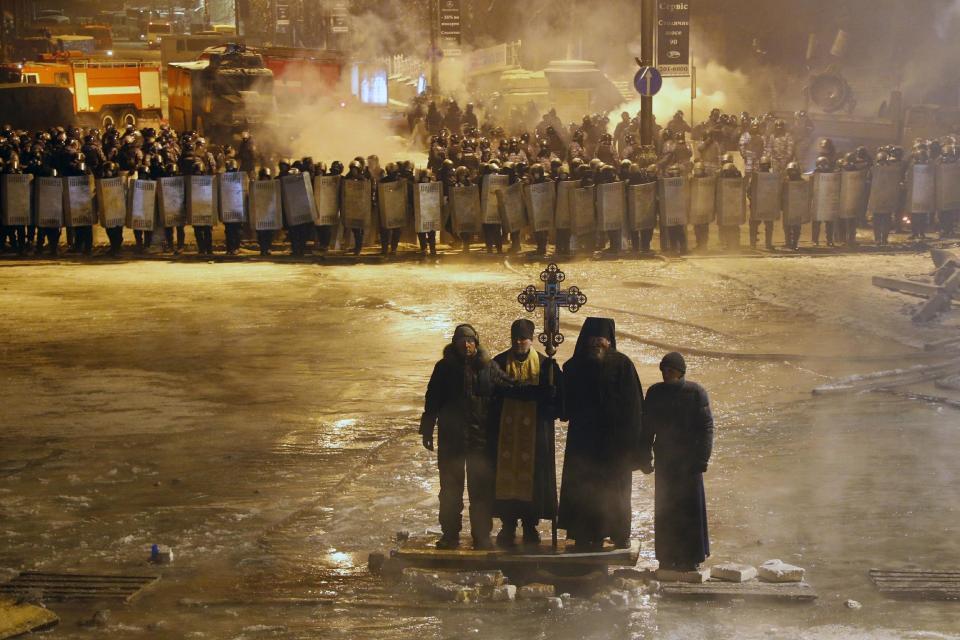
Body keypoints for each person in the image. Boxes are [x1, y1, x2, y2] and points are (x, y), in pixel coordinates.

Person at [420, 325, 510, 550]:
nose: (466, 345)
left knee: (480, 491)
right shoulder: (444, 369)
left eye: (470, 341)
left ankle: (482, 536)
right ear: (455, 344)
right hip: (452, 441)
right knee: (450, 491)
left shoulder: (488, 367)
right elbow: (432, 400)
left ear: (476, 343)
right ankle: (450, 535)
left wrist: (539, 390)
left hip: (480, 440)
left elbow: (509, 386)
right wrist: (427, 429)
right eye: (462, 342)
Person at [558, 317, 644, 550]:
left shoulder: (624, 366)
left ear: (610, 340)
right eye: (593, 338)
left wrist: (634, 447)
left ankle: (619, 534)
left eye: (602, 338)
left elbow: (635, 407)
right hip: (583, 443)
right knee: (583, 489)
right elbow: (563, 407)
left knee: (615, 491)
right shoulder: (573, 367)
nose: (597, 342)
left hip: (615, 444)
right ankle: (585, 534)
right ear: (586, 339)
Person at [489, 319, 563, 548]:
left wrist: (551, 398)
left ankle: (531, 525)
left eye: (523, 338)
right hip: (505, 433)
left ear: (531, 339)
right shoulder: (499, 362)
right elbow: (490, 393)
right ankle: (508, 524)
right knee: (505, 478)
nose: (519, 342)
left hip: (535, 432)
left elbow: (557, 397)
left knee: (533, 479)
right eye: (516, 339)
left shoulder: (545, 364)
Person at [639, 352, 714, 572]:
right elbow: (647, 428)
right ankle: (667, 556)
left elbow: (706, 427)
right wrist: (644, 456)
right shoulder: (655, 393)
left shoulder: (696, 392)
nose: (665, 373)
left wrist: (702, 457)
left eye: (670, 369)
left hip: (689, 461)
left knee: (690, 509)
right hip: (665, 460)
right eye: (663, 370)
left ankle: (691, 557)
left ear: (680, 371)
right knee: (666, 509)